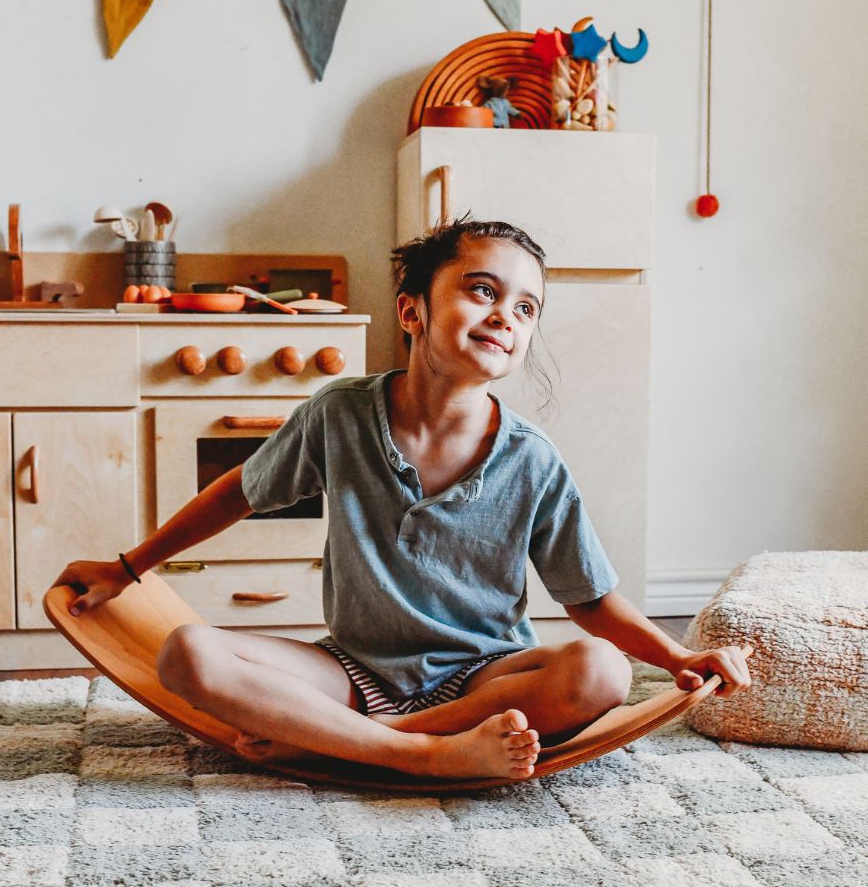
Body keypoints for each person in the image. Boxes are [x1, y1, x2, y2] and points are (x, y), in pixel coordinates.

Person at [55, 219, 750, 780]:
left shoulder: (532, 458)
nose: (504, 314)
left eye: (525, 306)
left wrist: (677, 657)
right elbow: (239, 492)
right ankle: (418, 752)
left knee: (601, 670)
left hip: (486, 679)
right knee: (188, 656)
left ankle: (366, 740)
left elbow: (589, 601)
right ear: (411, 309)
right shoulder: (339, 415)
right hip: (353, 671)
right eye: (482, 290)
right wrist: (128, 566)